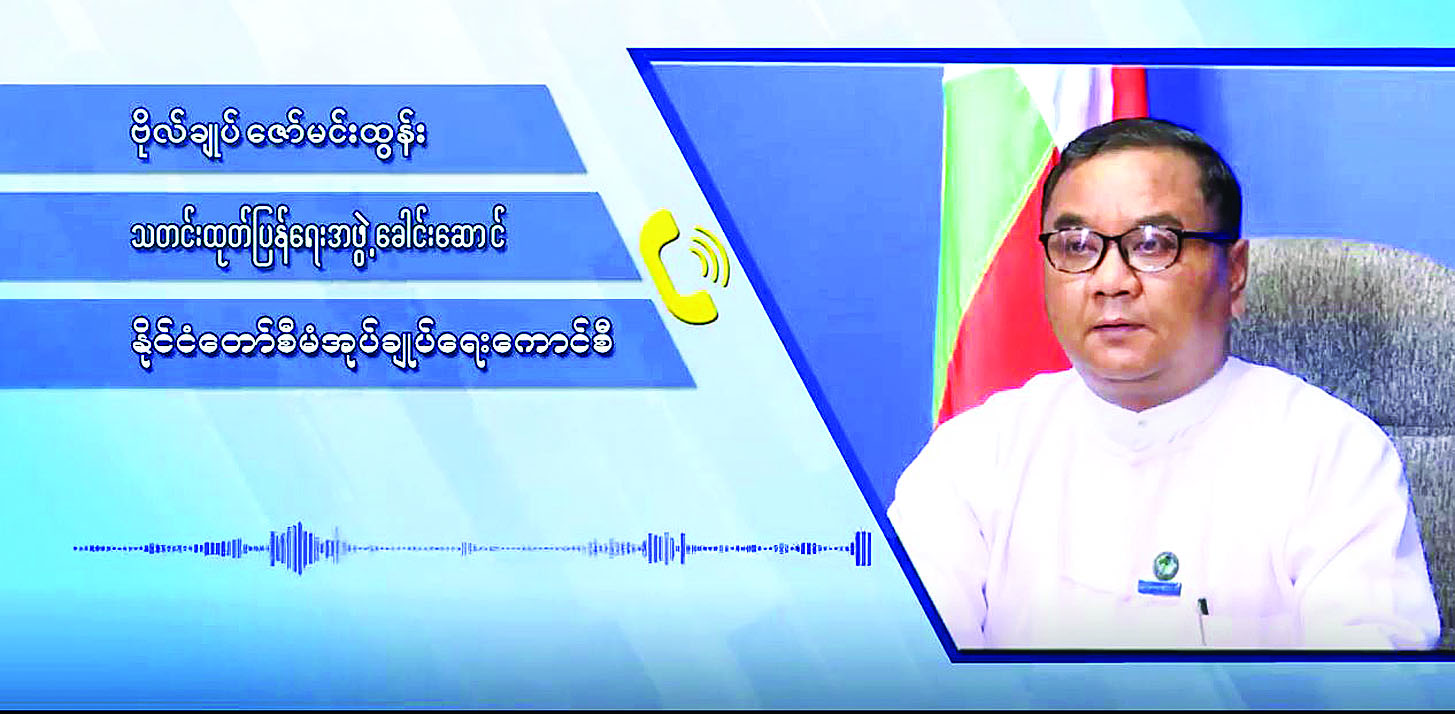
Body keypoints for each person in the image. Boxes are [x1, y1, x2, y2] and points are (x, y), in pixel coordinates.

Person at [887, 117, 1440, 649]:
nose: (1110, 281)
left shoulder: (1332, 453)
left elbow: (1369, 685)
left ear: (1235, 274)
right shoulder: (975, 454)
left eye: (1152, 243)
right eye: (1076, 245)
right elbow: (900, 670)